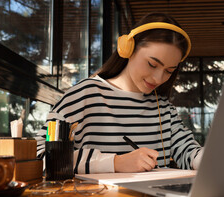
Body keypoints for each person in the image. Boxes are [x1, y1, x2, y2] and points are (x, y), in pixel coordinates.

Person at [36, 12, 203, 173]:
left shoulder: (164, 108)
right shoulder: (83, 95)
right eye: (152, 64)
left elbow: (189, 152)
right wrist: (115, 162)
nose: (158, 78)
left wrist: (207, 158)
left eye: (169, 71)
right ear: (128, 49)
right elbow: (41, 156)